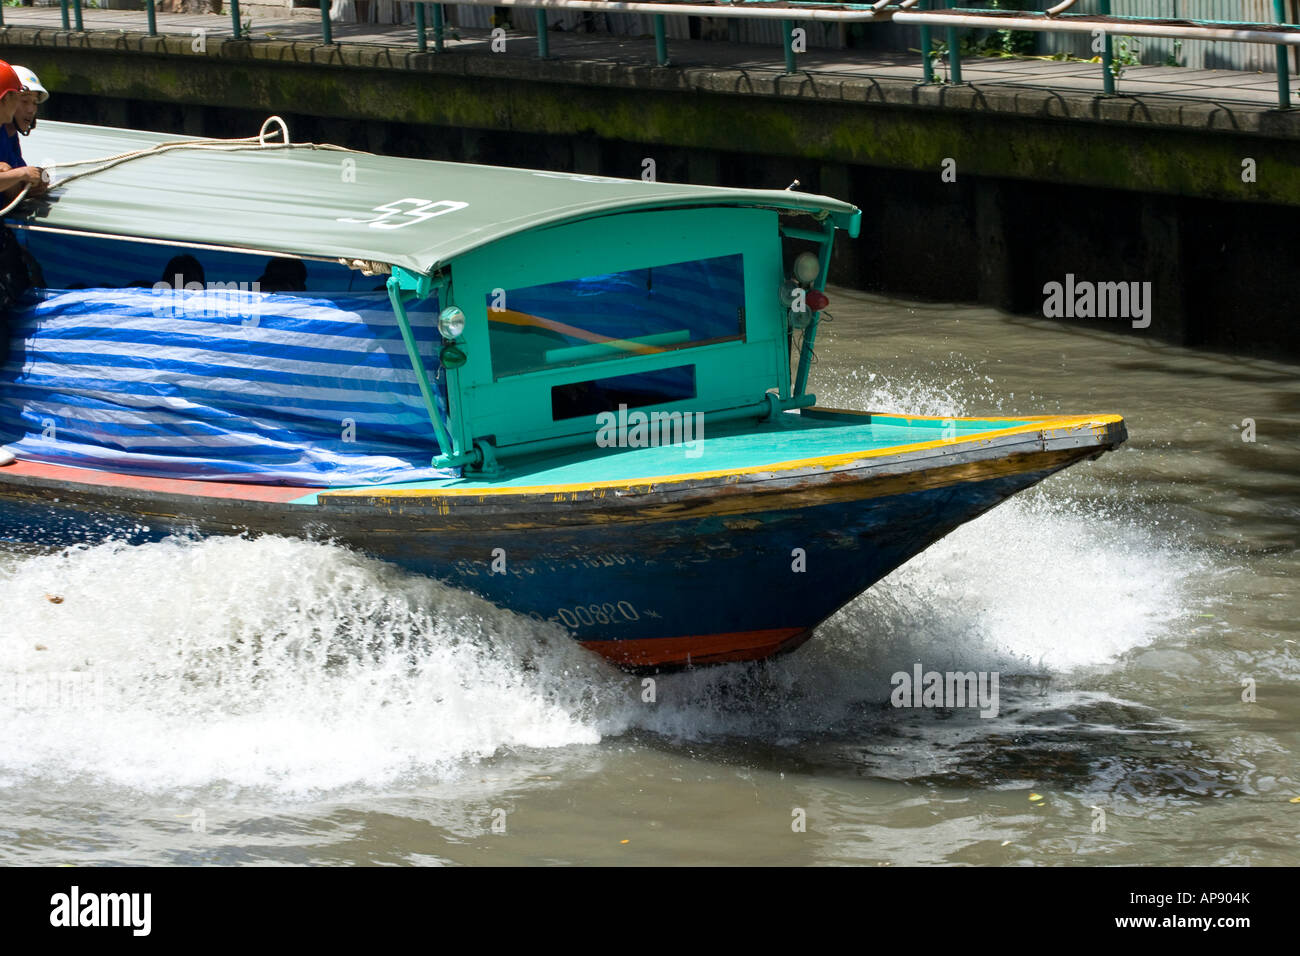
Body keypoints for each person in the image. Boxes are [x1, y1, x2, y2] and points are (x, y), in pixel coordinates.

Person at [0, 64, 48, 204]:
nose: (31, 109)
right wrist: (22, 174)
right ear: (5, 98)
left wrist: (33, 181)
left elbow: (15, 181)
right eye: (23, 100)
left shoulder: (10, 137)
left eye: (34, 103)